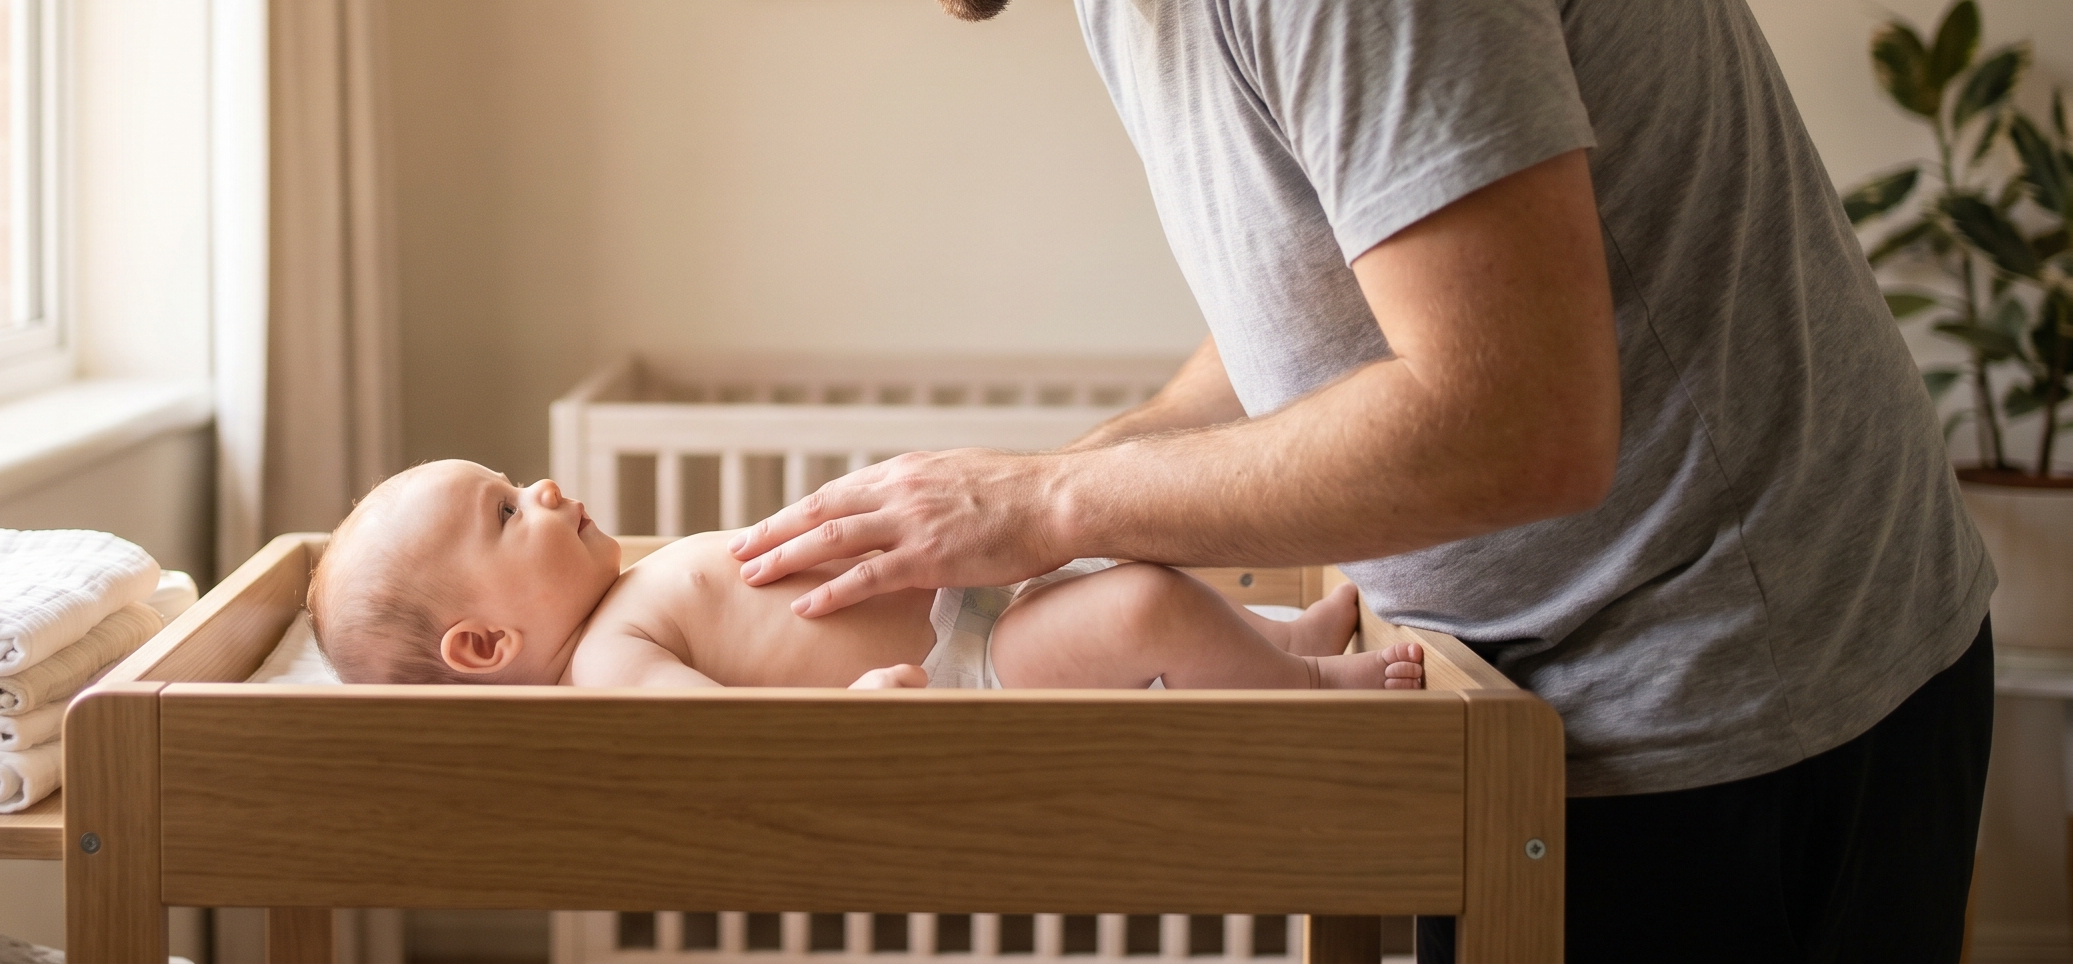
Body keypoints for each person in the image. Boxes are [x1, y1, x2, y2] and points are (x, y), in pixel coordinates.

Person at [612, 0, 1994, 964]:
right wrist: (1037, 493)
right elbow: (1328, 301)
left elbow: (1521, 421)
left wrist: (1055, 510)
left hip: (1741, 712)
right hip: (1516, 701)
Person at [307, 459, 1425, 691]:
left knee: (1128, 565)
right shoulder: (610, 660)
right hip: (962, 662)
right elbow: (720, 742)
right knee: (1142, 606)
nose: (545, 488)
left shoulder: (625, 589)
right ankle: (1311, 692)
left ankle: (1280, 638)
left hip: (965, 602)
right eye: (506, 512)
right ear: (484, 645)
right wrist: (851, 715)